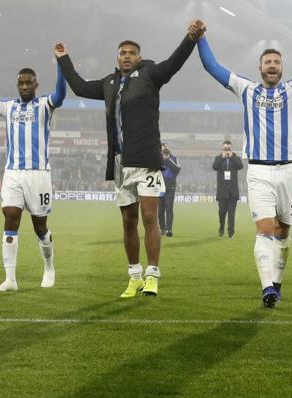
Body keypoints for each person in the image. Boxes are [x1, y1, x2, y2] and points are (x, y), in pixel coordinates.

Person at [198, 20, 292, 308]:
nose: (271, 65)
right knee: (265, 230)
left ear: (282, 67)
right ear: (259, 67)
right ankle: (267, 287)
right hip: (259, 171)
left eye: (276, 62)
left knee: (283, 233)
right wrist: (200, 39)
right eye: (267, 61)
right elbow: (212, 67)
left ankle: (277, 282)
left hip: (290, 171)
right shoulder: (246, 89)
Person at [55, 20, 203, 298]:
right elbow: (79, 87)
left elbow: (174, 63)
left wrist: (190, 39)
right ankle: (134, 275)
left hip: (146, 159)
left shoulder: (150, 74)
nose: (126, 56)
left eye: (132, 52)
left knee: (150, 217)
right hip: (121, 163)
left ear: (139, 57)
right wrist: (63, 59)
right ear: (117, 57)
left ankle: (153, 275)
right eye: (122, 52)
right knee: (127, 222)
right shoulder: (109, 84)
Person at [0, 55, 65, 292]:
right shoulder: (8, 106)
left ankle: (49, 267)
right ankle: (10, 279)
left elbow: (60, 94)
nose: (24, 87)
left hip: (38, 174)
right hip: (13, 173)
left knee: (40, 227)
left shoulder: (44, 105)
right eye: (20, 83)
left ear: (35, 85)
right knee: (10, 219)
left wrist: (62, 64)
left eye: (28, 83)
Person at [213, 139, 244, 238]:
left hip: (232, 192)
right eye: (225, 148)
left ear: (231, 148)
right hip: (222, 191)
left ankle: (231, 233)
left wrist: (232, 157)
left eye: (228, 148)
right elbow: (214, 167)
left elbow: (240, 166)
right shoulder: (218, 158)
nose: (227, 150)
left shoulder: (236, 158)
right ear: (222, 147)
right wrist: (222, 157)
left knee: (231, 214)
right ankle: (221, 227)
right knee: (222, 212)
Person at [159, 143, 180, 237]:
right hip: (160, 187)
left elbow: (177, 170)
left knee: (169, 209)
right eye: (162, 149)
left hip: (170, 187)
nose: (163, 151)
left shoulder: (174, 158)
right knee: (160, 211)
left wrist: (167, 160)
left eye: (165, 149)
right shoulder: (158, 159)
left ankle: (169, 229)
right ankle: (162, 229)